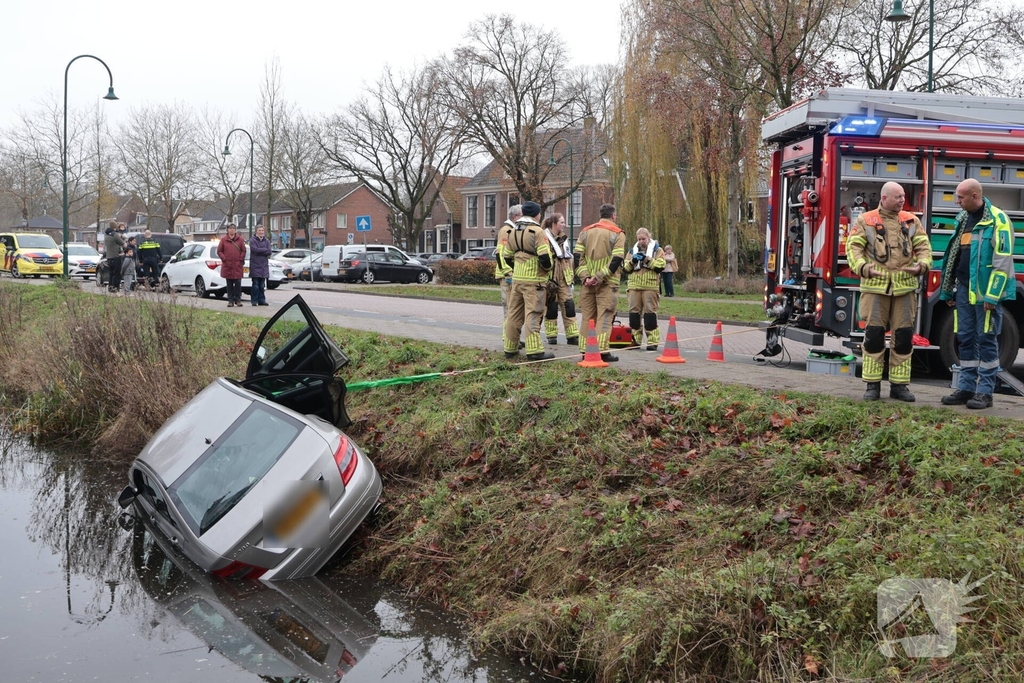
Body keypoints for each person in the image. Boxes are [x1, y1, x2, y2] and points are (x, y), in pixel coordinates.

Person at [846, 181, 932, 401]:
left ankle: (899, 386)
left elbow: (924, 248)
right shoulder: (865, 220)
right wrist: (864, 268)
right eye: (898, 197)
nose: (902, 200)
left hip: (904, 290)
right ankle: (872, 386)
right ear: (884, 199)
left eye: (903, 196)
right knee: (873, 337)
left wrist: (922, 265)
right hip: (875, 290)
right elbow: (853, 248)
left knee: (903, 338)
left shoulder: (912, 220)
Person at [939, 179, 1015, 410]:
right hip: (963, 290)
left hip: (984, 294)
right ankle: (966, 387)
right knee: (965, 338)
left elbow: (1003, 261)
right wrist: (948, 289)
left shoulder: (998, 220)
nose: (957, 201)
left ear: (974, 196)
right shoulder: (963, 220)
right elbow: (955, 255)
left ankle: (985, 392)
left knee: (987, 340)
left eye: (961, 197)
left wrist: (992, 297)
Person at [500, 201, 554, 361]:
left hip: (517, 279)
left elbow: (507, 256)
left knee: (514, 314)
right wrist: (547, 270)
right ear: (537, 214)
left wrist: (518, 268)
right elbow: (544, 258)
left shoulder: (513, 229)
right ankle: (534, 351)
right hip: (534, 280)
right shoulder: (537, 231)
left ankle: (510, 348)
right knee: (534, 313)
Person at [574, 203, 627, 362]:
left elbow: (577, 258)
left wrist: (586, 278)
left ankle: (585, 350)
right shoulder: (618, 233)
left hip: (587, 284)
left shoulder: (585, 231)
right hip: (607, 283)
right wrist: (599, 277)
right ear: (613, 216)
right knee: (604, 317)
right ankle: (601, 352)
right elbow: (616, 259)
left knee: (587, 317)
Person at [622, 228, 666, 350]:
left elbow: (661, 265)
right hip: (634, 287)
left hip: (650, 287)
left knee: (649, 315)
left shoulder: (658, 250)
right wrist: (633, 261)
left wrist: (647, 259)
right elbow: (625, 268)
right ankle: (635, 341)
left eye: (643, 239)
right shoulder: (632, 251)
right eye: (639, 239)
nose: (641, 241)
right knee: (634, 315)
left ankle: (652, 342)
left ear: (648, 237)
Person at [541, 213, 579, 346]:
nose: (564, 225)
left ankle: (572, 336)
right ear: (554, 224)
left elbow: (569, 258)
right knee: (551, 307)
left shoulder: (564, 239)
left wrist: (572, 277)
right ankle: (551, 336)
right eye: (562, 222)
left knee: (569, 306)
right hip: (551, 278)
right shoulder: (544, 237)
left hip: (564, 278)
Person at [495, 205, 522, 318]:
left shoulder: (515, 230)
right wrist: (507, 272)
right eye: (522, 216)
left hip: (512, 274)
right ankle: (507, 335)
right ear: (515, 217)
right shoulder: (506, 231)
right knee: (509, 306)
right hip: (507, 276)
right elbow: (501, 252)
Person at [217, 223, 246, 307]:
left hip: (237, 265)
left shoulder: (240, 240)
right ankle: (230, 301)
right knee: (229, 284)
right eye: (230, 228)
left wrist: (241, 258)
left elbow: (243, 250)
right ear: (227, 230)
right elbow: (219, 251)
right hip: (228, 265)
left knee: (238, 283)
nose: (232, 230)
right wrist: (224, 258)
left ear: (235, 230)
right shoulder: (223, 240)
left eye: (233, 228)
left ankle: (238, 300)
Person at [249, 225, 272, 306]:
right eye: (259, 230)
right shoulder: (252, 240)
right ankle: (254, 301)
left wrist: (260, 251)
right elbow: (254, 250)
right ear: (256, 231)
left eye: (262, 230)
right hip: (255, 266)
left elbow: (269, 251)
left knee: (262, 286)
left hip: (263, 267)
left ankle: (261, 300)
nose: (261, 232)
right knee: (255, 285)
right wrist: (264, 250)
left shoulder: (267, 241)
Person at [103, 221, 125, 293]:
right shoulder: (115, 235)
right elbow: (123, 243)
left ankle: (110, 288)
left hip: (109, 257)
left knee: (111, 273)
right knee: (117, 274)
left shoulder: (106, 235)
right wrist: (122, 238)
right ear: (115, 227)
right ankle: (115, 289)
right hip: (115, 256)